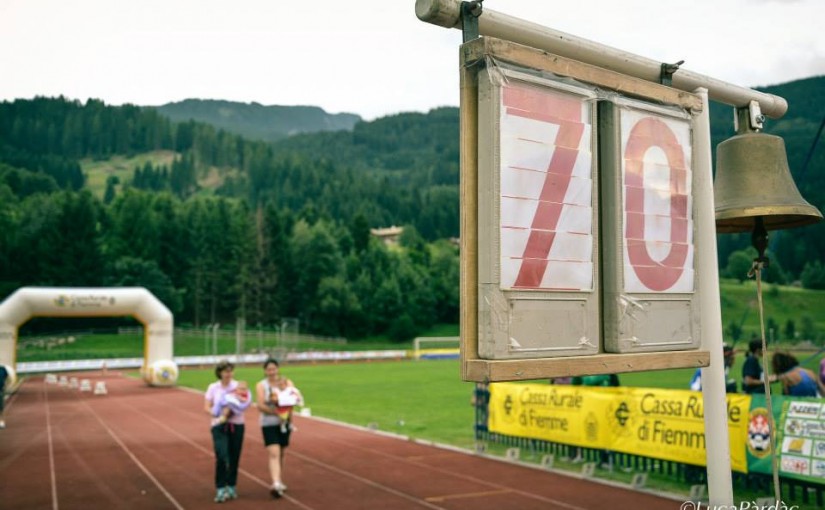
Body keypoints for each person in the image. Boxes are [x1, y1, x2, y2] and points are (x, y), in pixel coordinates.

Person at [205, 360, 251, 503]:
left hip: (236, 424)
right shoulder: (213, 387)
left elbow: (245, 402)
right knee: (222, 455)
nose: (228, 374)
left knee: (234, 456)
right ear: (220, 373)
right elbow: (206, 406)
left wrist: (233, 409)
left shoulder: (238, 386)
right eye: (225, 371)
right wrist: (217, 414)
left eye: (230, 371)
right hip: (219, 426)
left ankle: (231, 485)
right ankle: (220, 487)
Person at [256, 358, 298, 498]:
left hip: (285, 423)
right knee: (274, 452)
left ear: (278, 369)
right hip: (268, 423)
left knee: (281, 452)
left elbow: (293, 399)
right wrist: (276, 411)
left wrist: (287, 415)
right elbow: (260, 405)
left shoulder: (287, 382)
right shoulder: (261, 385)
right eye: (269, 369)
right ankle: (276, 483)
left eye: (274, 369)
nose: (272, 372)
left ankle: (279, 479)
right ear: (265, 371)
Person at [0, 364, 8, 429]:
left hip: (0, 390)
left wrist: (4, 385)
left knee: (1, 407)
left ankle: (1, 421)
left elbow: (5, 377)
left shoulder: (2, 369)